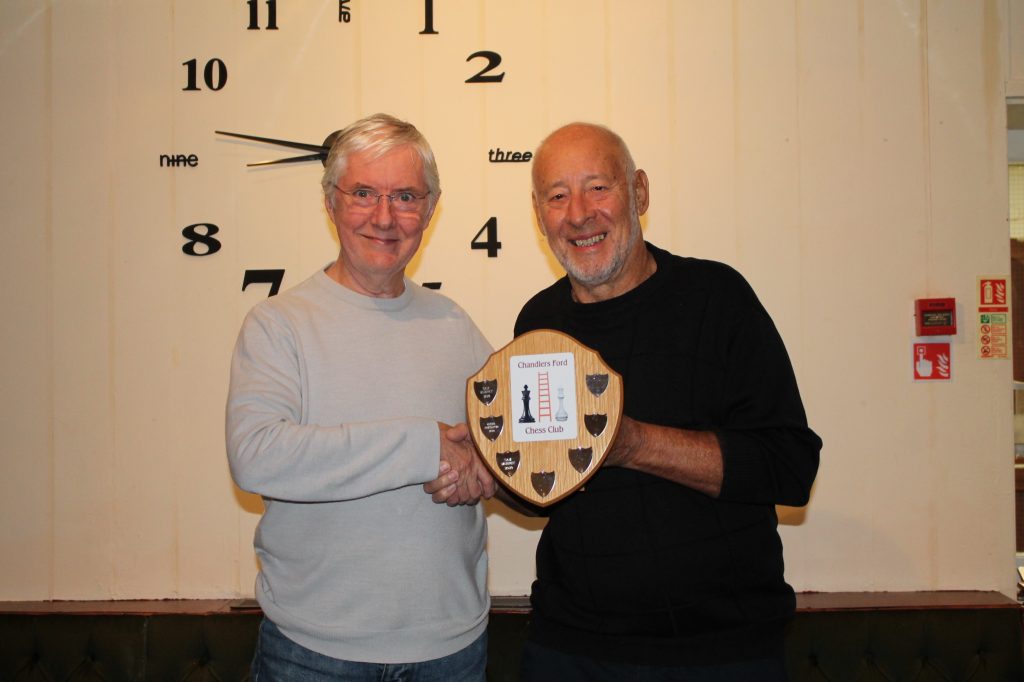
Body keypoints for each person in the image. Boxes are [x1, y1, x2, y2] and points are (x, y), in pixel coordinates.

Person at [513, 123, 821, 680]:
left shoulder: (717, 298)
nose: (579, 213)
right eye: (557, 196)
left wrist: (632, 442)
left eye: (597, 187)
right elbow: (544, 488)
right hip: (570, 650)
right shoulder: (538, 321)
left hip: (721, 654)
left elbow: (789, 467)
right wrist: (489, 464)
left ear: (639, 193)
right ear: (539, 214)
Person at [225, 113, 497, 681]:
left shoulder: (457, 326)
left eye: (404, 196)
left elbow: (500, 447)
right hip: (312, 653)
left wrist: (485, 474)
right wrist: (427, 447)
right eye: (364, 194)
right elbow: (257, 456)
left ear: (430, 208)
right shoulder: (279, 324)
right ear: (330, 203)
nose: (384, 217)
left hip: (451, 650)